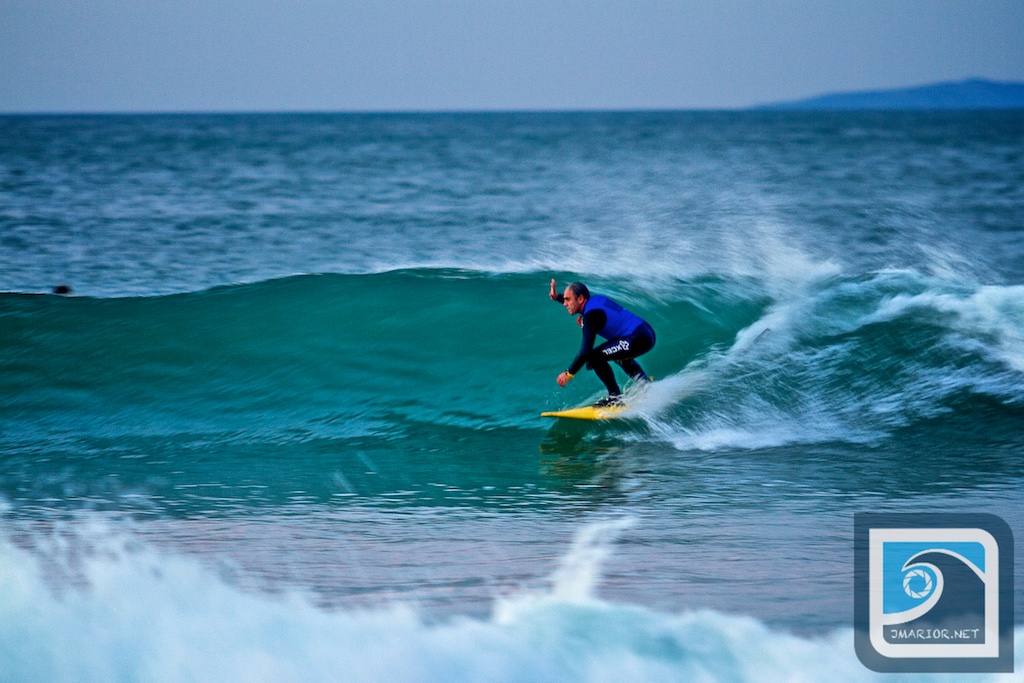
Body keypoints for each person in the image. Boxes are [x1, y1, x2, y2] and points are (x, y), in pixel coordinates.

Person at [549, 279, 655, 406]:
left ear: (581, 299)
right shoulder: (595, 301)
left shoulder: (591, 316)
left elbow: (585, 352)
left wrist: (569, 373)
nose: (565, 303)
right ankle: (647, 386)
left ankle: (615, 397)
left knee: (593, 358)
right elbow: (579, 305)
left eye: (567, 299)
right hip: (645, 332)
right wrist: (557, 297)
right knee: (618, 355)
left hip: (637, 338)